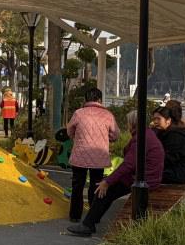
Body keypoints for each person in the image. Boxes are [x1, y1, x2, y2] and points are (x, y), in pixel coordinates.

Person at [67, 111, 164, 237]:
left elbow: (128, 165)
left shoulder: (141, 139)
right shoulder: (147, 135)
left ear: (133, 124)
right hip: (148, 176)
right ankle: (90, 221)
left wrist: (108, 181)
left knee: (104, 190)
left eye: (128, 123)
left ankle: (88, 224)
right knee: (105, 190)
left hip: (143, 179)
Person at [66, 88, 120, 223]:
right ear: (100, 100)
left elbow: (69, 131)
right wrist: (105, 138)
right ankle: (93, 216)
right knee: (96, 186)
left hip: (80, 155)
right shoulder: (108, 115)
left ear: (86, 99)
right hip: (99, 156)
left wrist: (77, 138)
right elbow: (115, 135)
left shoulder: (78, 113)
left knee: (77, 186)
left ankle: (75, 215)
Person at [152, 105, 185, 184]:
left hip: (177, 173)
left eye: (158, 119)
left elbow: (169, 159)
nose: (155, 122)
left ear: (168, 120)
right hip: (172, 171)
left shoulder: (175, 136)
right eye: (154, 119)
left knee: (144, 175)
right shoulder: (164, 133)